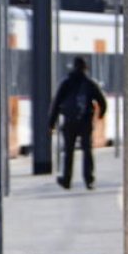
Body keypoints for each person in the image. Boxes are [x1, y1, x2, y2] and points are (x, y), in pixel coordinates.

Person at [48, 56, 108, 190]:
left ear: (73, 67)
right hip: (85, 122)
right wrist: (100, 115)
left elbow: (56, 103)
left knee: (68, 152)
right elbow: (102, 102)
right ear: (85, 68)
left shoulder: (66, 83)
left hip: (69, 122)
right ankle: (89, 179)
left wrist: (51, 123)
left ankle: (66, 180)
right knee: (87, 151)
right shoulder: (90, 83)